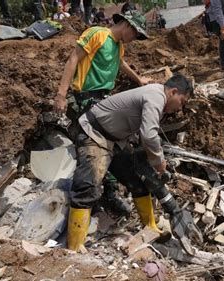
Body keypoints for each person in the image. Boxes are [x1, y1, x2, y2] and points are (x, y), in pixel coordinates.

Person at [67, 74, 202, 252]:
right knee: (88, 187)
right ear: (174, 92)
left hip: (115, 140)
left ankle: (151, 228)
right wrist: (159, 161)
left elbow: (142, 134)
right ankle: (74, 248)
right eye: (182, 101)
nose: (180, 108)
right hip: (95, 134)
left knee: (136, 181)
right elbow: (149, 135)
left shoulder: (156, 97)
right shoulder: (156, 97)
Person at [54, 11, 152, 216]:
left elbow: (121, 64)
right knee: (99, 146)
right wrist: (61, 95)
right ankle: (102, 195)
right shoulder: (97, 34)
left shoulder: (118, 46)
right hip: (85, 97)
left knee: (112, 145)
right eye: (135, 33)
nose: (134, 38)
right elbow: (73, 60)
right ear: (126, 24)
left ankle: (105, 193)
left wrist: (138, 79)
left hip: (102, 99)